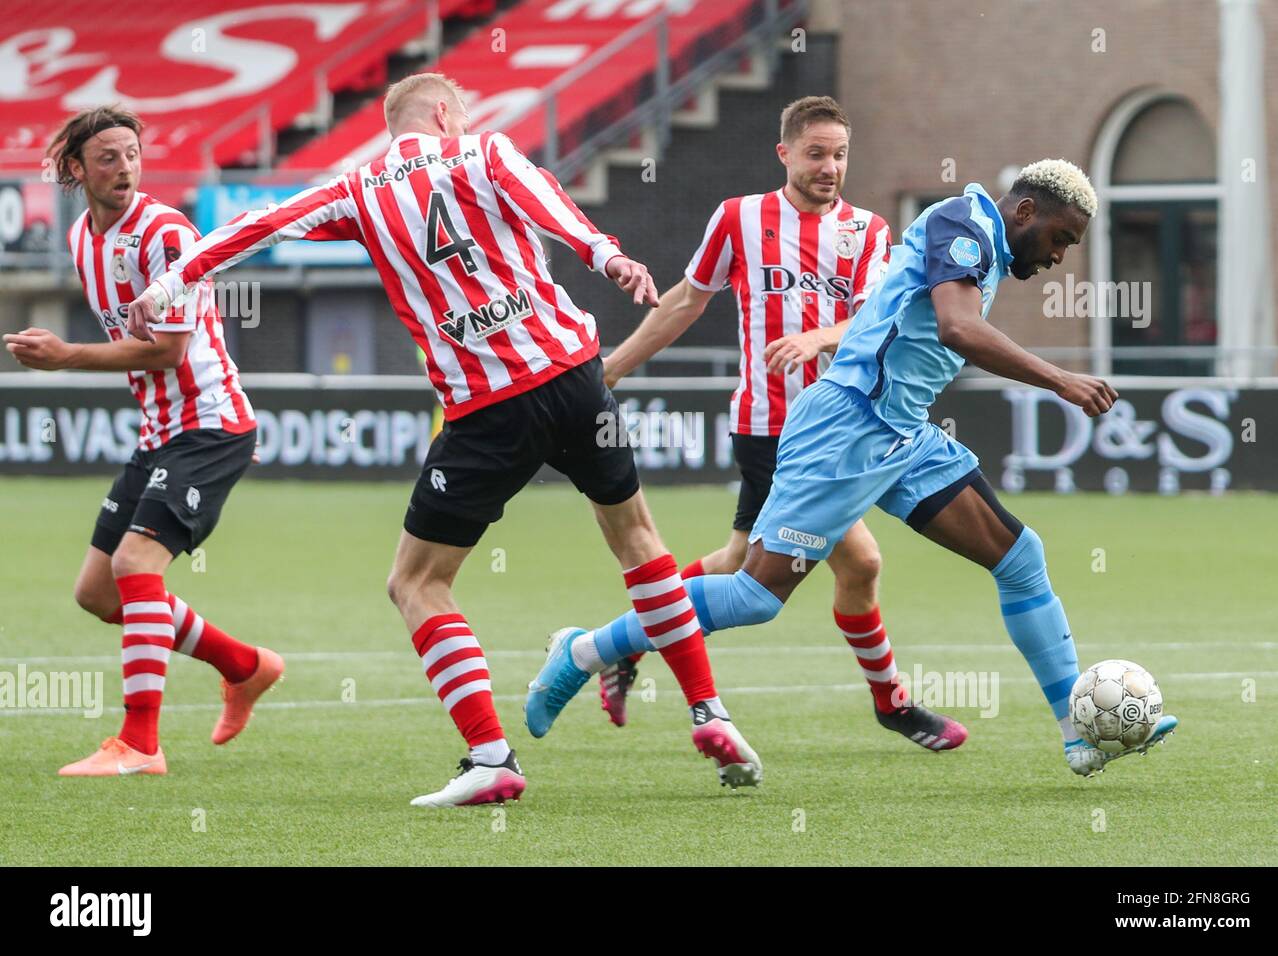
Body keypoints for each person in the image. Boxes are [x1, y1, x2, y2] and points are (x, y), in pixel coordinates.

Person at [124, 73, 761, 806]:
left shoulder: (358, 189)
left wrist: (173, 281)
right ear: (442, 113)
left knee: (417, 582)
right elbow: (546, 198)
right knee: (639, 538)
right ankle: (709, 709)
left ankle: (491, 756)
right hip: (577, 377)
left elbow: (261, 226)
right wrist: (604, 254)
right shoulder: (485, 152)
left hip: (490, 407)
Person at [526, 159, 1178, 776]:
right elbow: (955, 327)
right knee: (754, 597)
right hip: (844, 427)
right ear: (1027, 209)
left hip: (900, 434)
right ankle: (584, 650)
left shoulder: (985, 243)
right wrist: (1059, 378)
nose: (1060, 256)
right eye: (1060, 238)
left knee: (1020, 557)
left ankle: (1078, 732)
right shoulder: (962, 223)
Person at [588, 96, 966, 751]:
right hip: (773, 428)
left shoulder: (869, 232)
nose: (829, 167)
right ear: (784, 153)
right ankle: (892, 702)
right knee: (862, 561)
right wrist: (613, 368)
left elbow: (878, 320)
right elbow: (685, 302)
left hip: (844, 428)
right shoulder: (739, 218)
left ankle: (631, 641)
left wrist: (820, 336)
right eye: (816, 153)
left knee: (745, 561)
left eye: (840, 154)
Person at [4, 106, 282, 777]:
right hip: (160, 431)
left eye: (131, 153)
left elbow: (165, 352)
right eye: (107, 157)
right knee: (99, 594)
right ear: (76, 169)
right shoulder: (81, 239)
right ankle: (244, 666)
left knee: (136, 567)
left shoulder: (167, 234)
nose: (124, 167)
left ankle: (140, 744)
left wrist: (67, 357)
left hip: (210, 424)